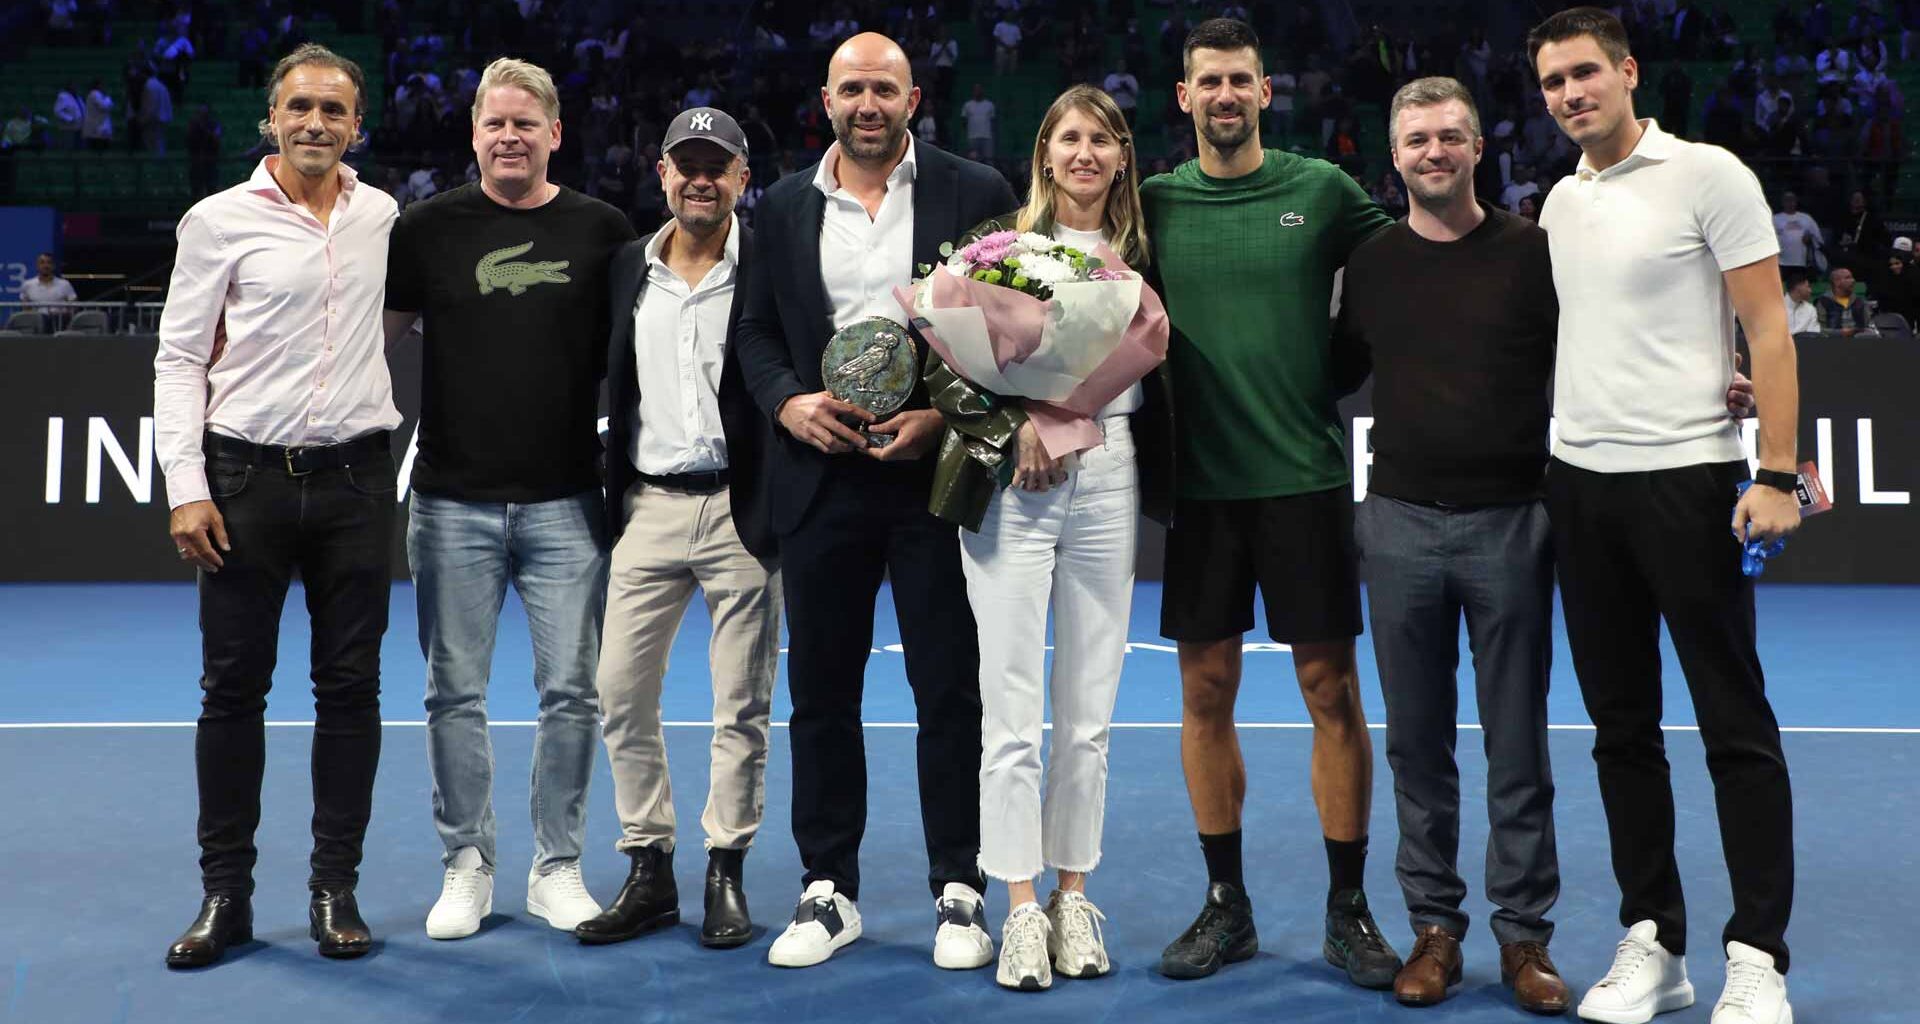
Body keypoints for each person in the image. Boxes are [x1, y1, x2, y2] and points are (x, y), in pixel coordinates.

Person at [1530, 10, 1801, 1024]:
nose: (1570, 93)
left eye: (1586, 72)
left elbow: (1769, 325)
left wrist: (1777, 470)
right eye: (1554, 81)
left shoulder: (1711, 176)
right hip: (1581, 487)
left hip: (1689, 482)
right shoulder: (1558, 202)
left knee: (1735, 725)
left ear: (1629, 71)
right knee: (1620, 731)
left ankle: (1759, 954)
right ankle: (1657, 938)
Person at [733, 32, 1015, 971]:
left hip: (930, 480)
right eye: (851, 88)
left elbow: (1007, 326)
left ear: (913, 98)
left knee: (949, 690)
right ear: (826, 100)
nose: (867, 103)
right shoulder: (778, 205)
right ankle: (828, 891)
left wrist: (941, 412)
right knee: (821, 694)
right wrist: (788, 402)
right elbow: (756, 332)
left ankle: (960, 889)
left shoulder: (973, 191)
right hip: (820, 478)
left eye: (883, 89)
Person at [1139, 17, 1404, 990]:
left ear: (1265, 92)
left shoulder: (1321, 190)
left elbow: (1405, 276)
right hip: (1201, 492)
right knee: (1204, 693)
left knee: (1331, 692)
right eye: (1207, 80)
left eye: (1239, 80)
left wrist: (1341, 366)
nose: (1223, 95)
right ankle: (1227, 906)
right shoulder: (1154, 202)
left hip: (1304, 479)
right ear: (1184, 96)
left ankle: (1348, 909)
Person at [153, 43, 400, 968]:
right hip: (244, 481)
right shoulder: (215, 221)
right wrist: (186, 488)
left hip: (358, 482)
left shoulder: (382, 215)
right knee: (232, 694)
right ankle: (227, 898)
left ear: (356, 126)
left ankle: (336, 891)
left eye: (333, 111)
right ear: (271, 117)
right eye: (299, 107)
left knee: (351, 693)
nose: (315, 124)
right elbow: (179, 359)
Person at [383, 57, 637, 942]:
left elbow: (638, 359)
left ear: (556, 134)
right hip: (450, 502)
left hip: (569, 502)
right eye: (495, 123)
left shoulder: (603, 230)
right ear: (475, 133)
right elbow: (367, 346)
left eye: (527, 123)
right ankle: (468, 863)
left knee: (572, 692)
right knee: (453, 692)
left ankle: (556, 865)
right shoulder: (426, 230)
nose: (510, 137)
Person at [1333, 75, 1570, 1014]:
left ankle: (1525, 940)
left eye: (1450, 137)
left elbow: (1608, 351)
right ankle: (1433, 929)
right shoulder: (1375, 265)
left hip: (1512, 522)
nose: (1434, 152)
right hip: (1395, 525)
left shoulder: (1534, 255)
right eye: (1417, 140)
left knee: (1518, 745)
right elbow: (1325, 371)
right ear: (1393, 159)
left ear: (1478, 148)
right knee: (1415, 747)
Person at [924, 83, 1166, 991]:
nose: (1086, 154)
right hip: (1015, 479)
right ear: (1045, 153)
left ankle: (1073, 894)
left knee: (1091, 713)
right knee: (1012, 702)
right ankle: (1019, 905)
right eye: (1070, 137)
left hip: (1111, 472)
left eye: (1103, 140)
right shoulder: (998, 251)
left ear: (1122, 157)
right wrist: (1015, 420)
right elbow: (946, 358)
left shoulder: (1146, 251)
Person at [570, 106, 780, 952]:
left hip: (742, 507)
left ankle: (724, 867)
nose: (700, 178)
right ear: (661, 173)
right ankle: (649, 867)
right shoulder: (626, 268)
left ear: (740, 180)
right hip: (650, 509)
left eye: (717, 165)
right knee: (618, 690)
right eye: (685, 164)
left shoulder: (770, 264)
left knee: (743, 703)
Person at [1815, 265, 1874, 334]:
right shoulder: (1824, 302)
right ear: (1836, 282)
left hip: (1858, 341)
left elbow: (1868, 326)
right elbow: (1819, 330)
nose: (1853, 281)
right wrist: (1840, 333)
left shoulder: (1859, 302)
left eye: (1852, 277)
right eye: (1848, 278)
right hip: (1833, 341)